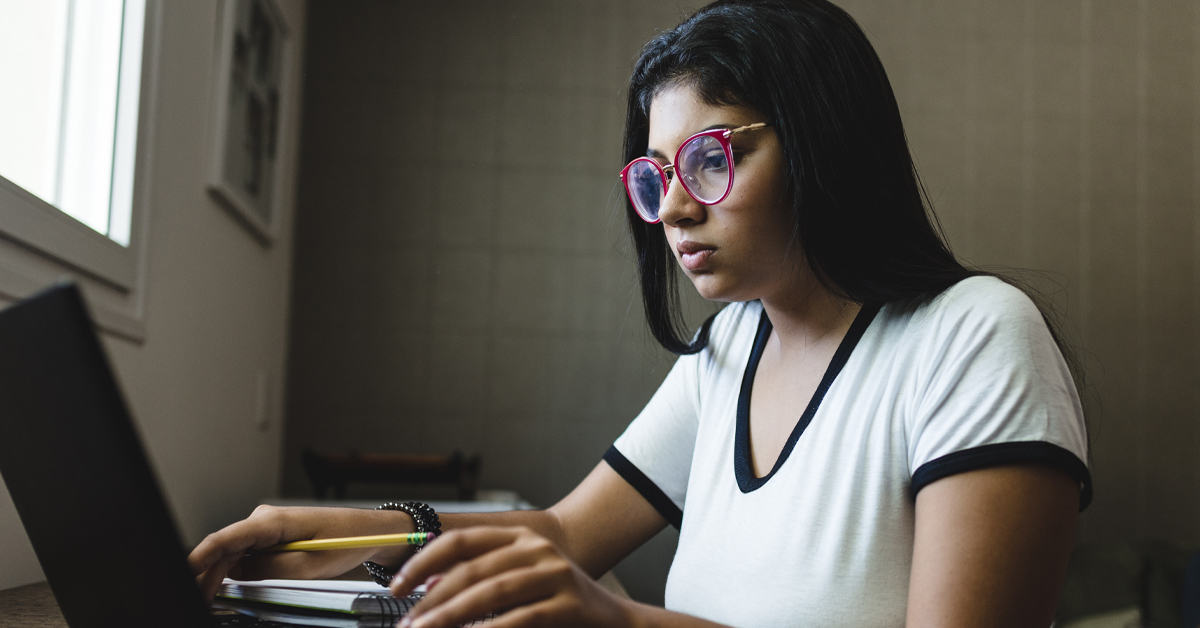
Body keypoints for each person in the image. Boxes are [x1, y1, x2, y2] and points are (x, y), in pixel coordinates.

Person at [189, 1, 1092, 626]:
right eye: (654, 178)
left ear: (823, 142)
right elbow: (560, 533)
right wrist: (317, 530)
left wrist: (620, 624)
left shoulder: (975, 336)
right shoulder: (733, 348)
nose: (671, 210)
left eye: (708, 158)